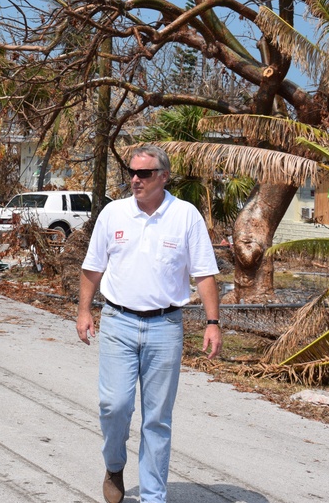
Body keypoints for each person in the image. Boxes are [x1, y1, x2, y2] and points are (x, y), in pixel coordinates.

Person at [77, 144, 222, 503]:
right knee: (115, 405)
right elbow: (92, 267)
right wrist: (84, 310)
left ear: (164, 176)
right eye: (132, 172)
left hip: (165, 327)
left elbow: (204, 274)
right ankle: (114, 465)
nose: (135, 179)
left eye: (144, 173)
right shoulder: (114, 213)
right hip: (118, 323)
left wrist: (212, 322)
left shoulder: (186, 216)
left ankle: (153, 497)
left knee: (157, 418)